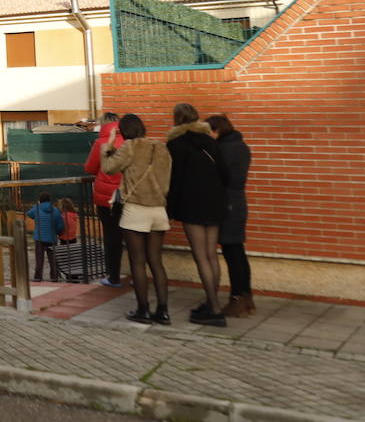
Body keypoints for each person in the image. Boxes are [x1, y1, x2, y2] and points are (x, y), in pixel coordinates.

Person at [100, 114, 171, 325]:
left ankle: (143, 309)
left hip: (136, 209)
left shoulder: (129, 147)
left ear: (123, 131)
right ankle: (163, 311)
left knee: (137, 261)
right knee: (156, 262)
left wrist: (108, 145)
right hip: (159, 209)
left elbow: (108, 167)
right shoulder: (161, 148)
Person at [166, 102, 228, 327]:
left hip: (192, 204)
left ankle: (214, 308)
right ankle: (213, 303)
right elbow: (224, 173)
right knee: (211, 255)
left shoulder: (175, 144)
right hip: (215, 202)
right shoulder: (211, 142)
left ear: (177, 118)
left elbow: (175, 179)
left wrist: (170, 209)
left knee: (200, 256)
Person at [208, 113, 253, 317]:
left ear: (216, 130)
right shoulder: (241, 145)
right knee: (238, 252)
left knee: (232, 253)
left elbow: (219, 177)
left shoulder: (224, 149)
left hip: (228, 204)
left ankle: (236, 299)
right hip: (238, 202)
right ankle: (246, 297)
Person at [83, 112, 125, 288]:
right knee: (128, 234)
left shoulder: (101, 142)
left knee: (110, 236)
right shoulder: (128, 141)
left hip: (106, 198)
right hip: (127, 194)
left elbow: (90, 168)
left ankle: (113, 276)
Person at [26, 192, 65, 282]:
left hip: (39, 238)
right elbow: (60, 226)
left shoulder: (37, 208)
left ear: (40, 200)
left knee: (39, 259)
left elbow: (29, 214)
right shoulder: (55, 210)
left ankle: (38, 277)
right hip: (52, 238)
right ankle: (54, 277)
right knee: (52, 259)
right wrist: (58, 232)